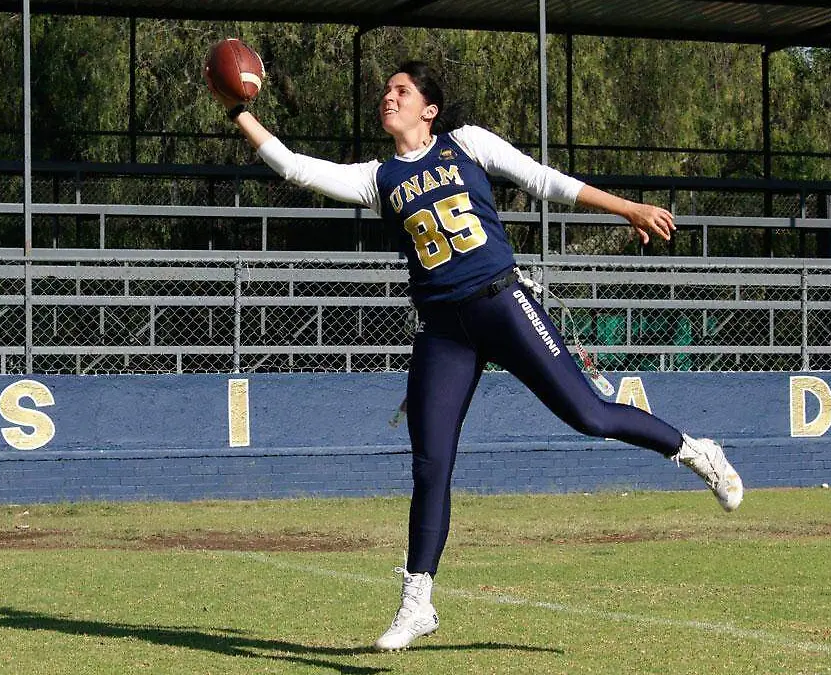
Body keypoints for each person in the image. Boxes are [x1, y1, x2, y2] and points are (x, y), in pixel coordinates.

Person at [208, 60, 743, 651]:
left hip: (502, 303)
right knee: (431, 463)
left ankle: (697, 452)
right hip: (444, 329)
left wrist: (628, 208)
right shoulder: (379, 177)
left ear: (428, 109)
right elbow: (293, 167)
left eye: (401, 91)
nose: (388, 98)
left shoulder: (466, 144)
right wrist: (237, 109)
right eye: (387, 91)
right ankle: (417, 602)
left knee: (589, 415)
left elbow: (546, 181)